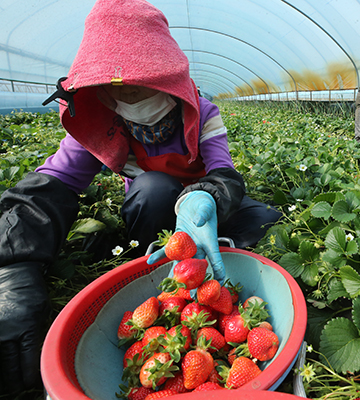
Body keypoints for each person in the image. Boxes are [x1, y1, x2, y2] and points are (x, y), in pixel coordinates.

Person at [0, 0, 281, 396]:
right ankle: (158, 264)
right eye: (118, 91)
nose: (130, 98)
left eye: (140, 87)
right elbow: (53, 182)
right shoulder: (105, 126)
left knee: (262, 219)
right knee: (153, 188)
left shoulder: (204, 114)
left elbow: (223, 170)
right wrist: (14, 263)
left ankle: (212, 251)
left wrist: (206, 197)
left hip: (201, 210)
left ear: (168, 81)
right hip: (152, 209)